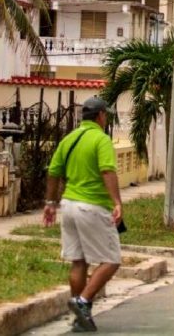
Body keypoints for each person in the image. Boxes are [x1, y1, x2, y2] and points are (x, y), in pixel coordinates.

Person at [43, 97, 124, 333]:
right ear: (100, 116)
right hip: (93, 206)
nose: (106, 119)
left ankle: (80, 318)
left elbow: (53, 171)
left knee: (78, 261)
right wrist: (117, 202)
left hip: (68, 205)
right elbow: (107, 171)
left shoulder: (69, 139)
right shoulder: (101, 139)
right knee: (111, 260)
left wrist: (50, 203)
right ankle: (83, 301)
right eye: (105, 115)